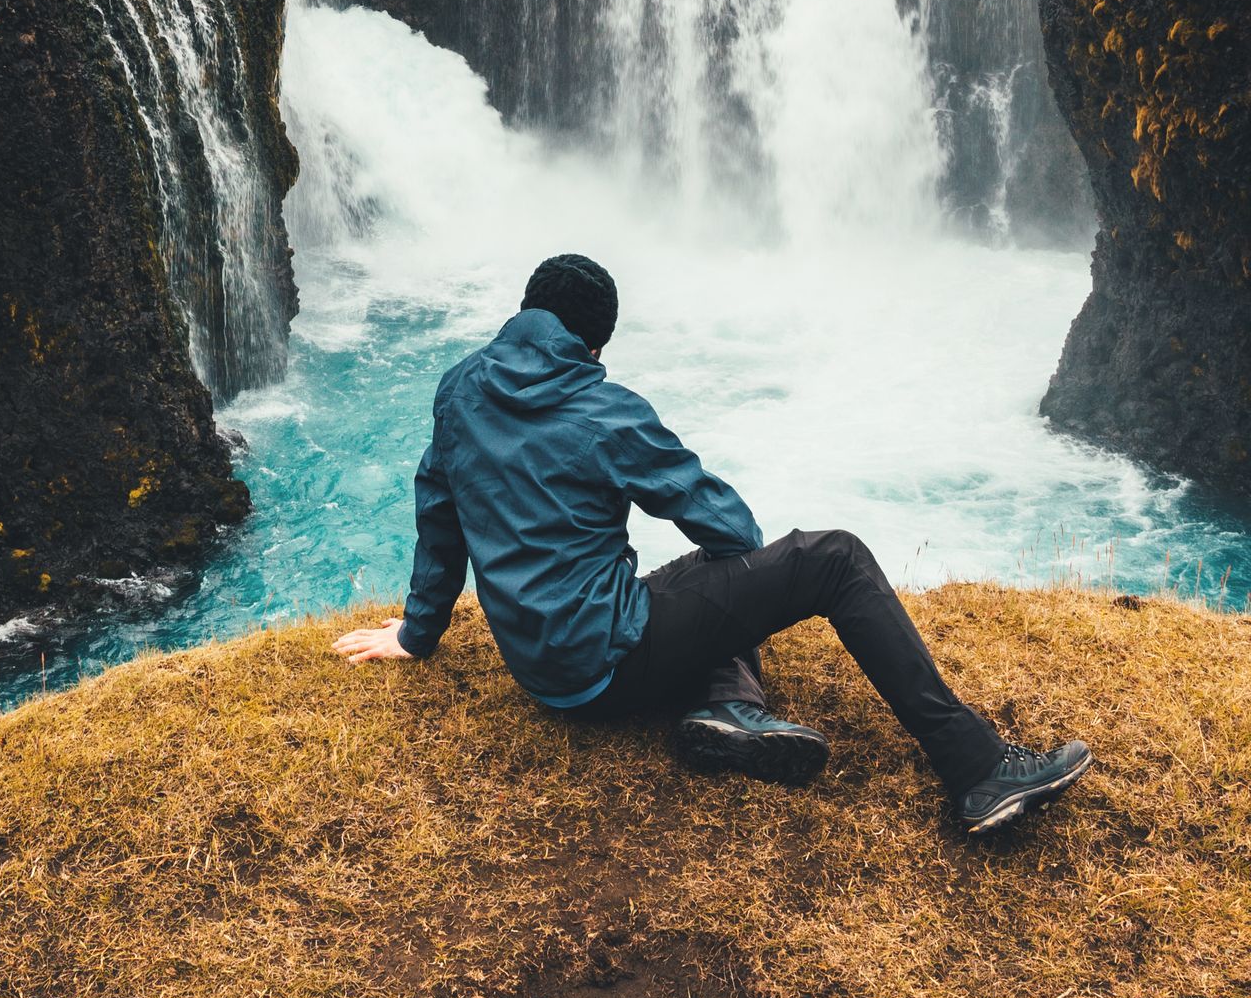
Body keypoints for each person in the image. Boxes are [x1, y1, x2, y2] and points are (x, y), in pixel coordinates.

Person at [334, 254, 1091, 833]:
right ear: (595, 344)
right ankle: (980, 769)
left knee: (700, 584)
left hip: (542, 673)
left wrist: (417, 633)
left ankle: (726, 709)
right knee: (834, 558)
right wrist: (749, 566)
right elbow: (728, 530)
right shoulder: (602, 407)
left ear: (525, 312)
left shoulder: (458, 389)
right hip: (609, 658)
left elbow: (438, 515)